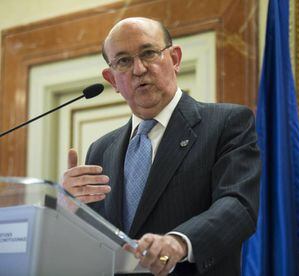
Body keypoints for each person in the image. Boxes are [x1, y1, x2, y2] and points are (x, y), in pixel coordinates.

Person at [62, 17, 260, 276]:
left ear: (175, 59)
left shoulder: (227, 123)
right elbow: (97, 238)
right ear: (112, 80)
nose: (139, 69)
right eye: (124, 61)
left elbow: (238, 205)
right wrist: (67, 208)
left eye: (149, 53)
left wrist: (178, 242)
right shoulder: (101, 150)